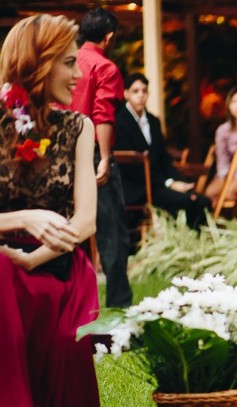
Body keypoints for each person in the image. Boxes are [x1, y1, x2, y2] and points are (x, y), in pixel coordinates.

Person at [0, 14, 103, 407]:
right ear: (36, 65)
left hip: (56, 263)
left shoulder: (78, 127)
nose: (79, 74)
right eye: (68, 63)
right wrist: (21, 222)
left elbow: (85, 221)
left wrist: (36, 255)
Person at [70, 7, 129, 308]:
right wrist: (104, 158)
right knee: (112, 231)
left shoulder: (65, 63)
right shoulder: (104, 67)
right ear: (109, 37)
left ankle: (72, 303)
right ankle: (119, 307)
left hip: (61, 153)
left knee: (68, 229)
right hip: (92, 152)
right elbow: (102, 115)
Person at [114, 72, 212, 229]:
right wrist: (169, 183)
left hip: (158, 182)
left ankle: (197, 245)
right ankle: (177, 244)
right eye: (135, 91)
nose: (141, 96)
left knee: (201, 200)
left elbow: (163, 157)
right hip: (138, 187)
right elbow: (131, 166)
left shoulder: (153, 121)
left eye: (144, 91)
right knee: (183, 201)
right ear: (126, 94)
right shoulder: (119, 121)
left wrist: (177, 180)